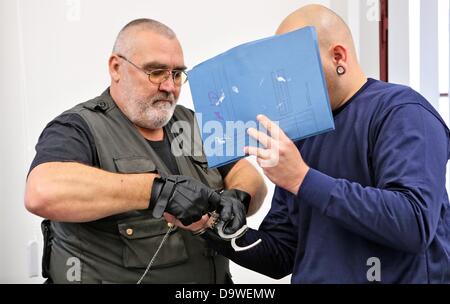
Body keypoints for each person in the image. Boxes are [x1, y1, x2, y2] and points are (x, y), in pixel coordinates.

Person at [176, 5, 450, 283]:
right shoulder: (304, 134)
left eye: (293, 65)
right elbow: (281, 254)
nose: (282, 79)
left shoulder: (403, 112)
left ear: (338, 56)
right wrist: (208, 225)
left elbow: (414, 224)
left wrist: (302, 179)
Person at [24, 18, 267, 284]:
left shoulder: (194, 123)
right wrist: (157, 191)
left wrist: (239, 196)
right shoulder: (79, 127)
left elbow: (249, 175)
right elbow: (42, 192)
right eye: (156, 72)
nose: (169, 86)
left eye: (176, 74)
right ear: (116, 68)